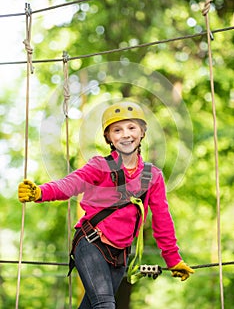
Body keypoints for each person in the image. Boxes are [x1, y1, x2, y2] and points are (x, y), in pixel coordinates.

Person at [18, 100, 194, 309]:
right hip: (92, 243)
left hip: (120, 255)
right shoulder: (100, 166)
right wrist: (40, 192)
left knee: (92, 306)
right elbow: (71, 184)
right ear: (109, 138)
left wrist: (172, 259)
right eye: (117, 130)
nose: (125, 134)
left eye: (131, 127)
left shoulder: (153, 176)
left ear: (142, 132)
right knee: (104, 305)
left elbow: (162, 220)